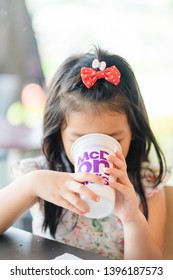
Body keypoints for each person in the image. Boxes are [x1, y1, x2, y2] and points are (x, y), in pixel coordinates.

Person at [0, 47, 170, 260]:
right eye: (79, 139)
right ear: (58, 131)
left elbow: (149, 271)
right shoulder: (43, 173)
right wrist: (31, 184)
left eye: (114, 139)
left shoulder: (147, 183)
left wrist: (132, 219)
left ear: (134, 131)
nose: (97, 151)